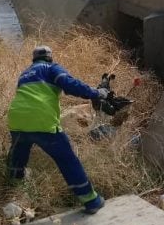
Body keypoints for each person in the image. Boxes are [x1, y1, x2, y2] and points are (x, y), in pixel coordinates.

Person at [7, 45, 109, 214]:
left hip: (16, 118)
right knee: (67, 159)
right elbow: (70, 85)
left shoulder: (25, 74)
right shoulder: (51, 68)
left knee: (18, 154)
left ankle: (12, 189)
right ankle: (91, 200)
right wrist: (97, 93)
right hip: (42, 121)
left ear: (33, 59)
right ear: (49, 57)